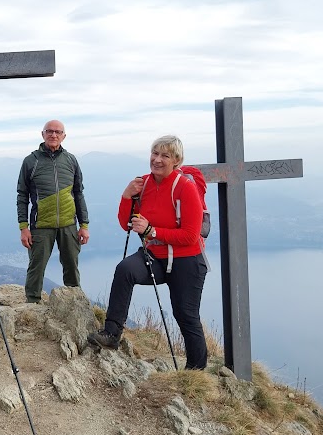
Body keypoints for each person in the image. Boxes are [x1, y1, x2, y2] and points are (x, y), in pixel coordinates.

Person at [87, 135, 209, 370]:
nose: (157, 159)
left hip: (187, 261)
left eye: (165, 155)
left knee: (185, 315)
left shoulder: (185, 187)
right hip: (155, 256)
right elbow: (127, 224)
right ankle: (111, 334)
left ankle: (196, 370)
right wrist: (126, 196)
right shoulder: (143, 184)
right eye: (155, 153)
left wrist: (152, 231)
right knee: (125, 270)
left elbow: (191, 235)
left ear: (176, 161)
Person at [16, 120, 89, 303]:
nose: (53, 135)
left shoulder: (71, 160)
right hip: (41, 225)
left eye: (58, 132)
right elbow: (22, 195)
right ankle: (32, 304)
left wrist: (84, 225)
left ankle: (74, 304)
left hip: (68, 224)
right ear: (43, 134)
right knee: (36, 267)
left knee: (71, 267)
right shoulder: (31, 161)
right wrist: (23, 227)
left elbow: (78, 193)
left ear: (64, 136)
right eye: (49, 131)